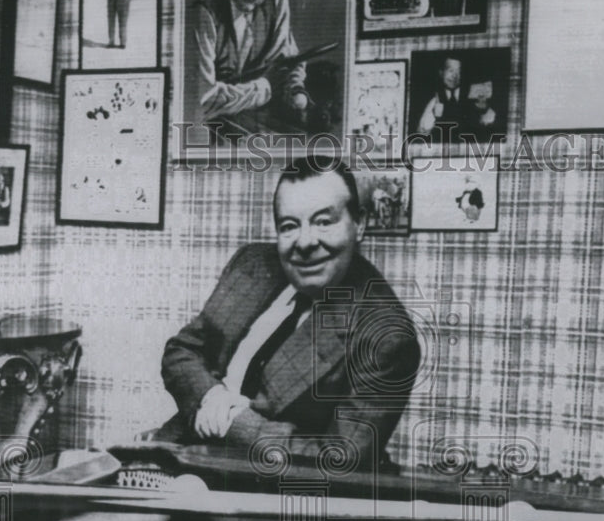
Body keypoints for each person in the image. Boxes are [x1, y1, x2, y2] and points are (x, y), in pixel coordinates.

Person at [157, 157, 421, 471]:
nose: (305, 242)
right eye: (289, 226)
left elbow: (341, 456)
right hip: (178, 458)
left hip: (275, 492)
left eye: (324, 221)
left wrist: (235, 423)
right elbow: (182, 351)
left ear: (359, 224)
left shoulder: (386, 335)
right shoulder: (251, 264)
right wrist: (211, 396)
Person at [194, 0, 309, 130]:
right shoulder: (205, 11)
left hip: (257, 115)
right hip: (214, 123)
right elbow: (204, 101)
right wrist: (265, 88)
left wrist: (294, 87)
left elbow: (286, 54)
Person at [416, 55, 498, 142]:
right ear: (441, 72)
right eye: (450, 71)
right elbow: (421, 132)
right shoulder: (431, 98)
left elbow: (489, 125)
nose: (454, 76)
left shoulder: (472, 95)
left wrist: (484, 110)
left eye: (458, 72)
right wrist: (432, 114)